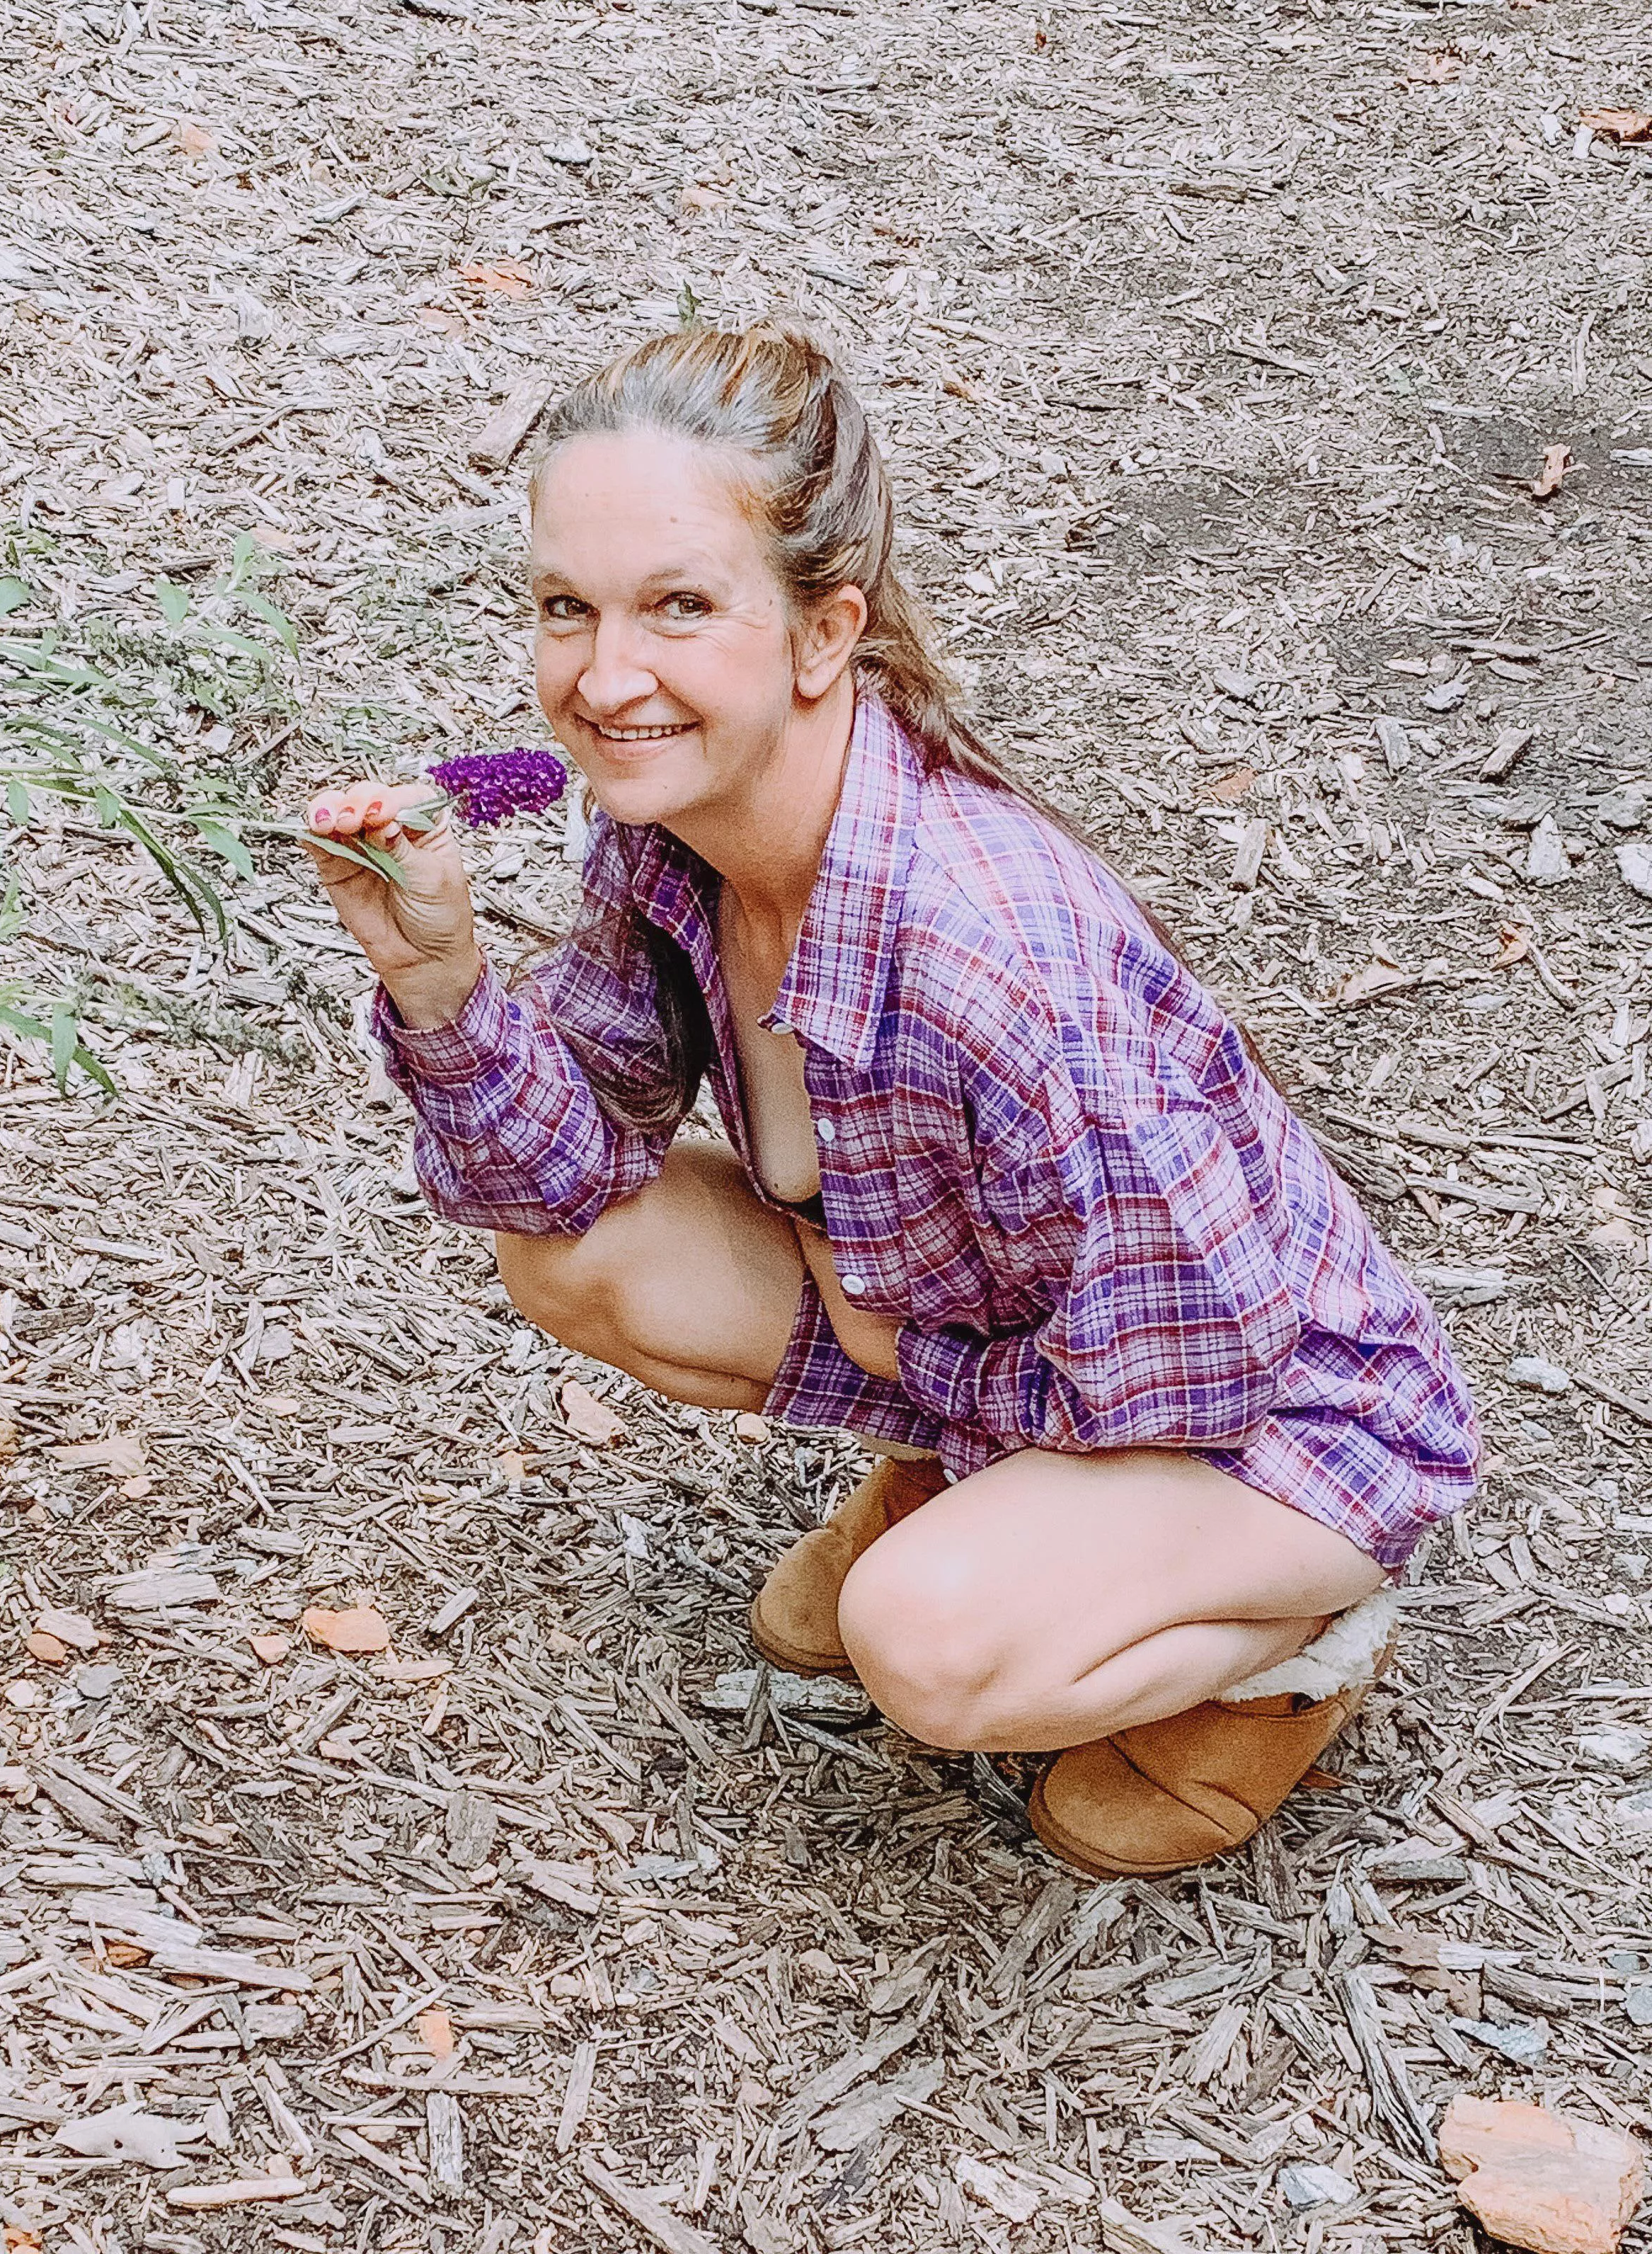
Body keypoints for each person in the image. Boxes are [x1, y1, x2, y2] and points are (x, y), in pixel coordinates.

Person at [302, 324, 1478, 1877]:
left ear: (819, 628)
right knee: (577, 1252)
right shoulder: (670, 836)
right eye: (564, 608)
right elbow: (561, 1174)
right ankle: (977, 1489)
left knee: (919, 1646)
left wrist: (894, 1351)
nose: (600, 675)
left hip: (1274, 1415)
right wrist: (442, 983)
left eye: (676, 607)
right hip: (1003, 1333)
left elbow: (1194, 1366)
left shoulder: (984, 958)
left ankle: (1290, 1655)